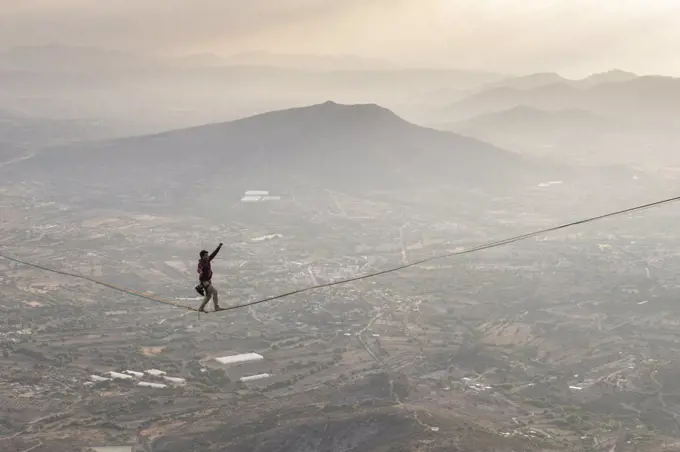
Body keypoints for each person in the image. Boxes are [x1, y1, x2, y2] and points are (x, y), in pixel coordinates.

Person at [197, 243, 224, 312]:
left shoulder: (208, 260)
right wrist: (200, 271)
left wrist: (219, 247)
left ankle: (201, 308)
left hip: (208, 280)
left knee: (208, 296)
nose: (208, 256)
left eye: (207, 255)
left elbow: (214, 254)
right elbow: (199, 268)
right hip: (204, 281)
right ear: (203, 257)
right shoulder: (201, 263)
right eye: (206, 255)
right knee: (215, 292)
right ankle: (216, 307)